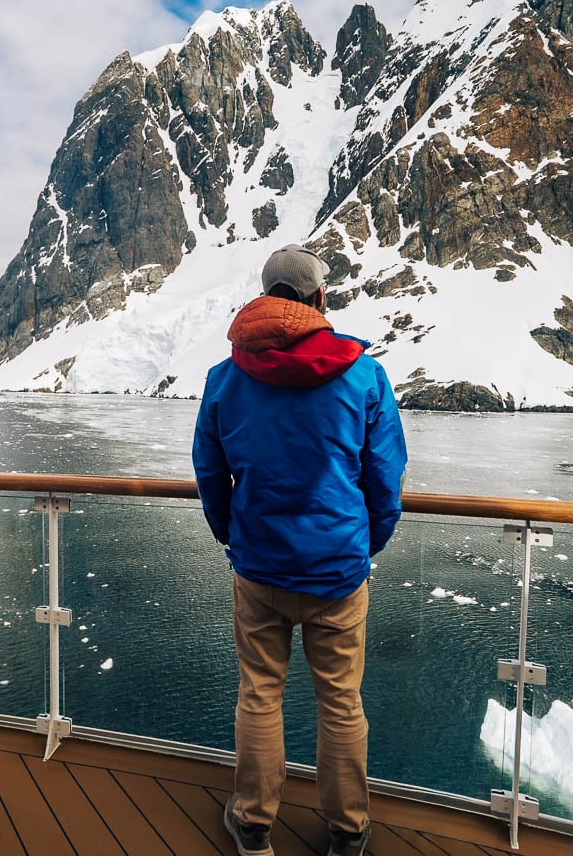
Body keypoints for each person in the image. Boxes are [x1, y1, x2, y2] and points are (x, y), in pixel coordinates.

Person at [192, 244, 408, 856]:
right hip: (337, 570)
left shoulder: (225, 378)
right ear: (319, 300)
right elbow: (384, 474)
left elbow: (209, 470)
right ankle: (348, 831)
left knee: (259, 694)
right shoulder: (363, 373)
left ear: (266, 298)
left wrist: (230, 535)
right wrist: (366, 544)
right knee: (341, 702)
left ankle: (254, 823)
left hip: (259, 566)